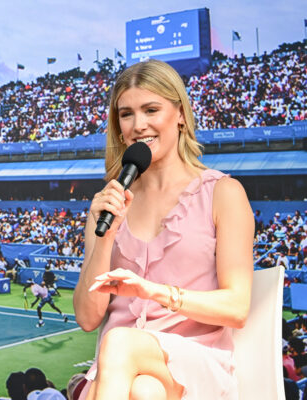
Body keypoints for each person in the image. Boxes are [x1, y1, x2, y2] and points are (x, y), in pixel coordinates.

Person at [73, 59, 253, 399]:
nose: (138, 125)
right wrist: (107, 235)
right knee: (144, 391)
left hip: (194, 360)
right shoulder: (108, 204)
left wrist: (150, 291)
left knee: (120, 343)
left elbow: (237, 308)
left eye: (151, 109)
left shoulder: (223, 194)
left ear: (181, 114)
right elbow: (86, 317)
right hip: (121, 374)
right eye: (126, 114)